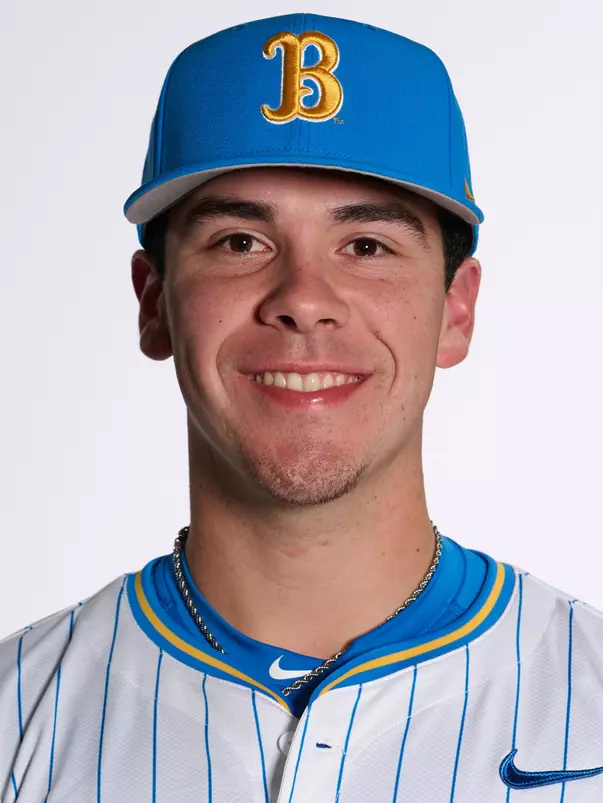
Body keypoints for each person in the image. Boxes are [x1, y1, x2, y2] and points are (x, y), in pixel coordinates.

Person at [2, 11, 603, 803]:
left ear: (455, 311)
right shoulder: (17, 716)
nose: (303, 301)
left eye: (366, 246)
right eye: (239, 243)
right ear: (153, 304)